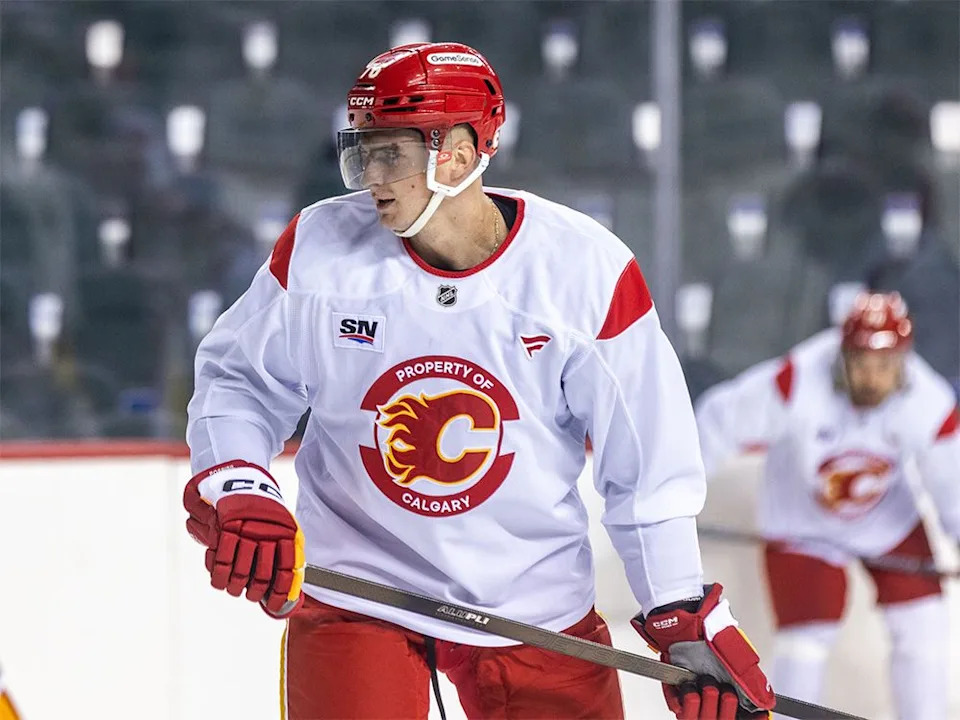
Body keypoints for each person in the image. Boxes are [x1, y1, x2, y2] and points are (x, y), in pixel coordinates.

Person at [183, 42, 773, 720]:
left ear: (458, 155)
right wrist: (240, 484)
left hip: (533, 606)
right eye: (364, 151)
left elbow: (644, 470)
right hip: (361, 593)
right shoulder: (321, 250)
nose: (370, 176)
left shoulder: (585, 273)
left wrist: (679, 614)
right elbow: (238, 381)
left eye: (391, 155)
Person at [695, 291, 960, 720]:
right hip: (804, 524)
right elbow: (718, 420)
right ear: (843, 356)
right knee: (806, 639)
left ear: (904, 361)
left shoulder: (927, 402)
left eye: (886, 367)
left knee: (923, 622)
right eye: (863, 364)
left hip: (886, 520)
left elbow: (954, 482)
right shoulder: (796, 381)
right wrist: (679, 494)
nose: (873, 378)